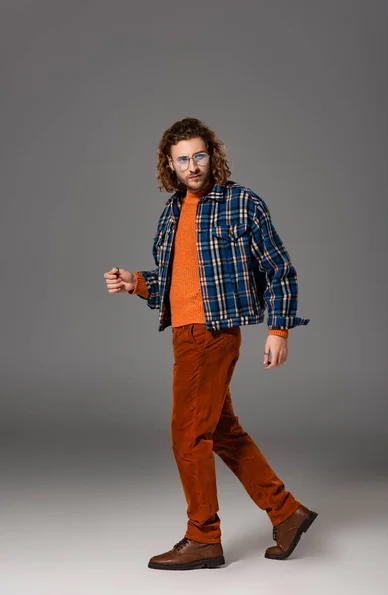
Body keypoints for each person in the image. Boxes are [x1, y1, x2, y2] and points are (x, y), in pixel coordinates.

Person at [104, 117, 317, 570]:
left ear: (212, 155)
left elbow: (280, 270)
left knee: (187, 434)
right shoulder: (172, 212)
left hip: (211, 333)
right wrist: (136, 282)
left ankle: (204, 537)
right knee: (222, 430)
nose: (192, 166)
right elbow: (175, 284)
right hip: (185, 333)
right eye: (182, 159)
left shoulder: (242, 204)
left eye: (199, 156)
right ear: (170, 164)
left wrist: (278, 330)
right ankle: (286, 512)